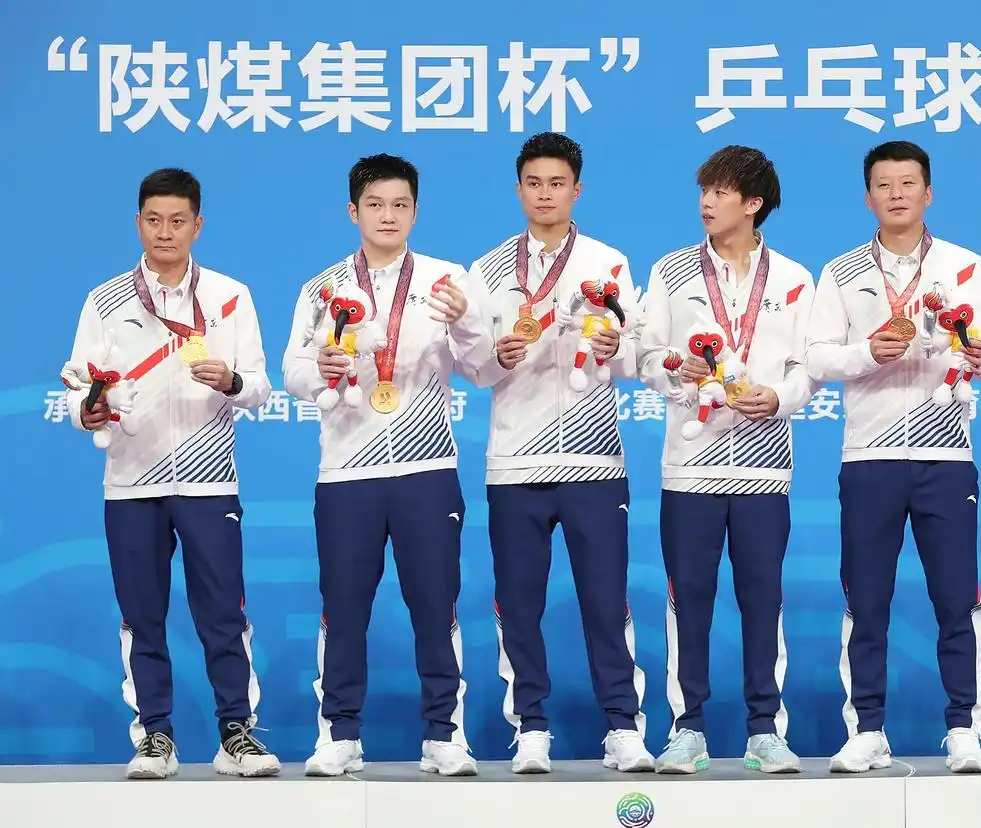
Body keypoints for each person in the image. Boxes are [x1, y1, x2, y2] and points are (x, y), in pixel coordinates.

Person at [58, 168, 280, 779]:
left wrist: (230, 380)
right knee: (142, 614)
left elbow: (261, 388)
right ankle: (154, 736)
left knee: (224, 614)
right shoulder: (105, 301)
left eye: (177, 221)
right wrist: (87, 409)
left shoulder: (231, 296)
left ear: (197, 225)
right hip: (131, 481)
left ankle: (236, 734)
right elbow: (78, 389)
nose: (165, 232)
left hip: (210, 483)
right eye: (154, 220)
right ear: (138, 223)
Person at [282, 154, 493, 778]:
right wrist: (318, 371)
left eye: (400, 205)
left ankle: (444, 735)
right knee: (344, 609)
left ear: (416, 212)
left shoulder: (447, 281)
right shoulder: (322, 289)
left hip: (427, 471)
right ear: (354, 211)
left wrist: (467, 321)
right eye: (375, 204)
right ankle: (339, 734)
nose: (388, 215)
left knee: (435, 605)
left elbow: (482, 367)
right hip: (347, 473)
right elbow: (292, 370)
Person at [805, 141, 981, 774]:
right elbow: (816, 358)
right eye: (884, 185)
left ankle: (963, 729)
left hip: (946, 455)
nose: (896, 194)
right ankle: (867, 729)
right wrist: (868, 352)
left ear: (928, 193)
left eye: (908, 183)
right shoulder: (842, 271)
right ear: (868, 197)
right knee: (867, 600)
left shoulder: (963, 265)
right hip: (869, 457)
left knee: (956, 598)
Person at [464, 132, 654, 774]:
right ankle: (532, 728)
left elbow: (635, 357)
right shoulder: (488, 269)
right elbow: (473, 366)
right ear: (518, 189)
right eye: (534, 183)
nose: (545, 194)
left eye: (557, 183)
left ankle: (623, 727)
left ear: (577, 189)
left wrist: (614, 348)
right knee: (519, 604)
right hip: (515, 460)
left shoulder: (608, 262)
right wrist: (497, 356)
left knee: (606, 601)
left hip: (593, 461)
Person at [636, 145, 814, 774]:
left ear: (753, 202)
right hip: (691, 465)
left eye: (720, 192)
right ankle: (687, 728)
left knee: (763, 599)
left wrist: (782, 397)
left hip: (764, 467)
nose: (707, 203)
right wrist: (674, 370)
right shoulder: (671, 271)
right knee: (689, 600)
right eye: (704, 190)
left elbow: (806, 366)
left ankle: (765, 730)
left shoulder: (794, 278)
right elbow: (644, 355)